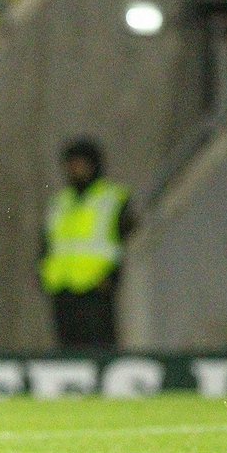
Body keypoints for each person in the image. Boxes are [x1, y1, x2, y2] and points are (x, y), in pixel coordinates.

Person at [39, 138, 136, 350]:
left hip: (96, 287)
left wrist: (111, 275)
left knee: (100, 346)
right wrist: (43, 272)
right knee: (68, 349)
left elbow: (126, 236)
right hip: (62, 288)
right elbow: (48, 242)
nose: (75, 170)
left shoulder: (112, 197)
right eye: (71, 165)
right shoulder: (60, 201)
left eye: (80, 164)